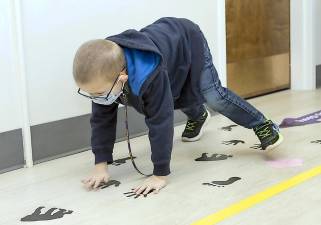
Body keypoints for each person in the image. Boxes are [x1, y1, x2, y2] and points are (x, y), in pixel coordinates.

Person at [73, 17, 283, 197]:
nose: (96, 98)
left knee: (212, 95)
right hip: (167, 53)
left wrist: (159, 174)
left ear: (122, 77)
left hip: (188, 39)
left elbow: (160, 122)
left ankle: (262, 124)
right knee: (172, 95)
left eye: (98, 94)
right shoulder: (104, 76)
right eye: (91, 94)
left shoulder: (148, 74)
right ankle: (198, 116)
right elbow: (101, 120)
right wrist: (100, 165)